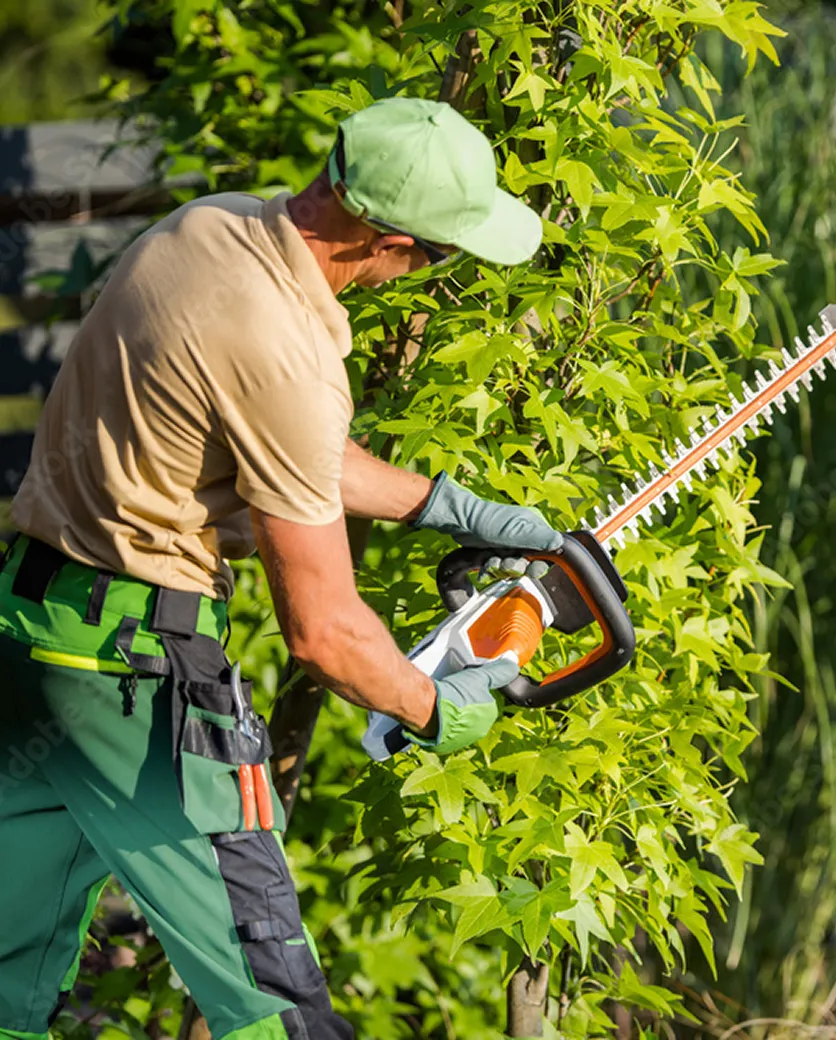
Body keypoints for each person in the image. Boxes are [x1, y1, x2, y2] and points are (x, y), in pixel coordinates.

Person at [0, 97, 560, 1040]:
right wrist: (436, 708)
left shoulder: (210, 229)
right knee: (274, 1011)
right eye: (436, 256)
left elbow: (277, 442)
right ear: (387, 241)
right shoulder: (287, 349)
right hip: (134, 688)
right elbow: (323, 634)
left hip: (29, 635)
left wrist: (445, 506)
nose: (428, 273)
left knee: (7, 981)